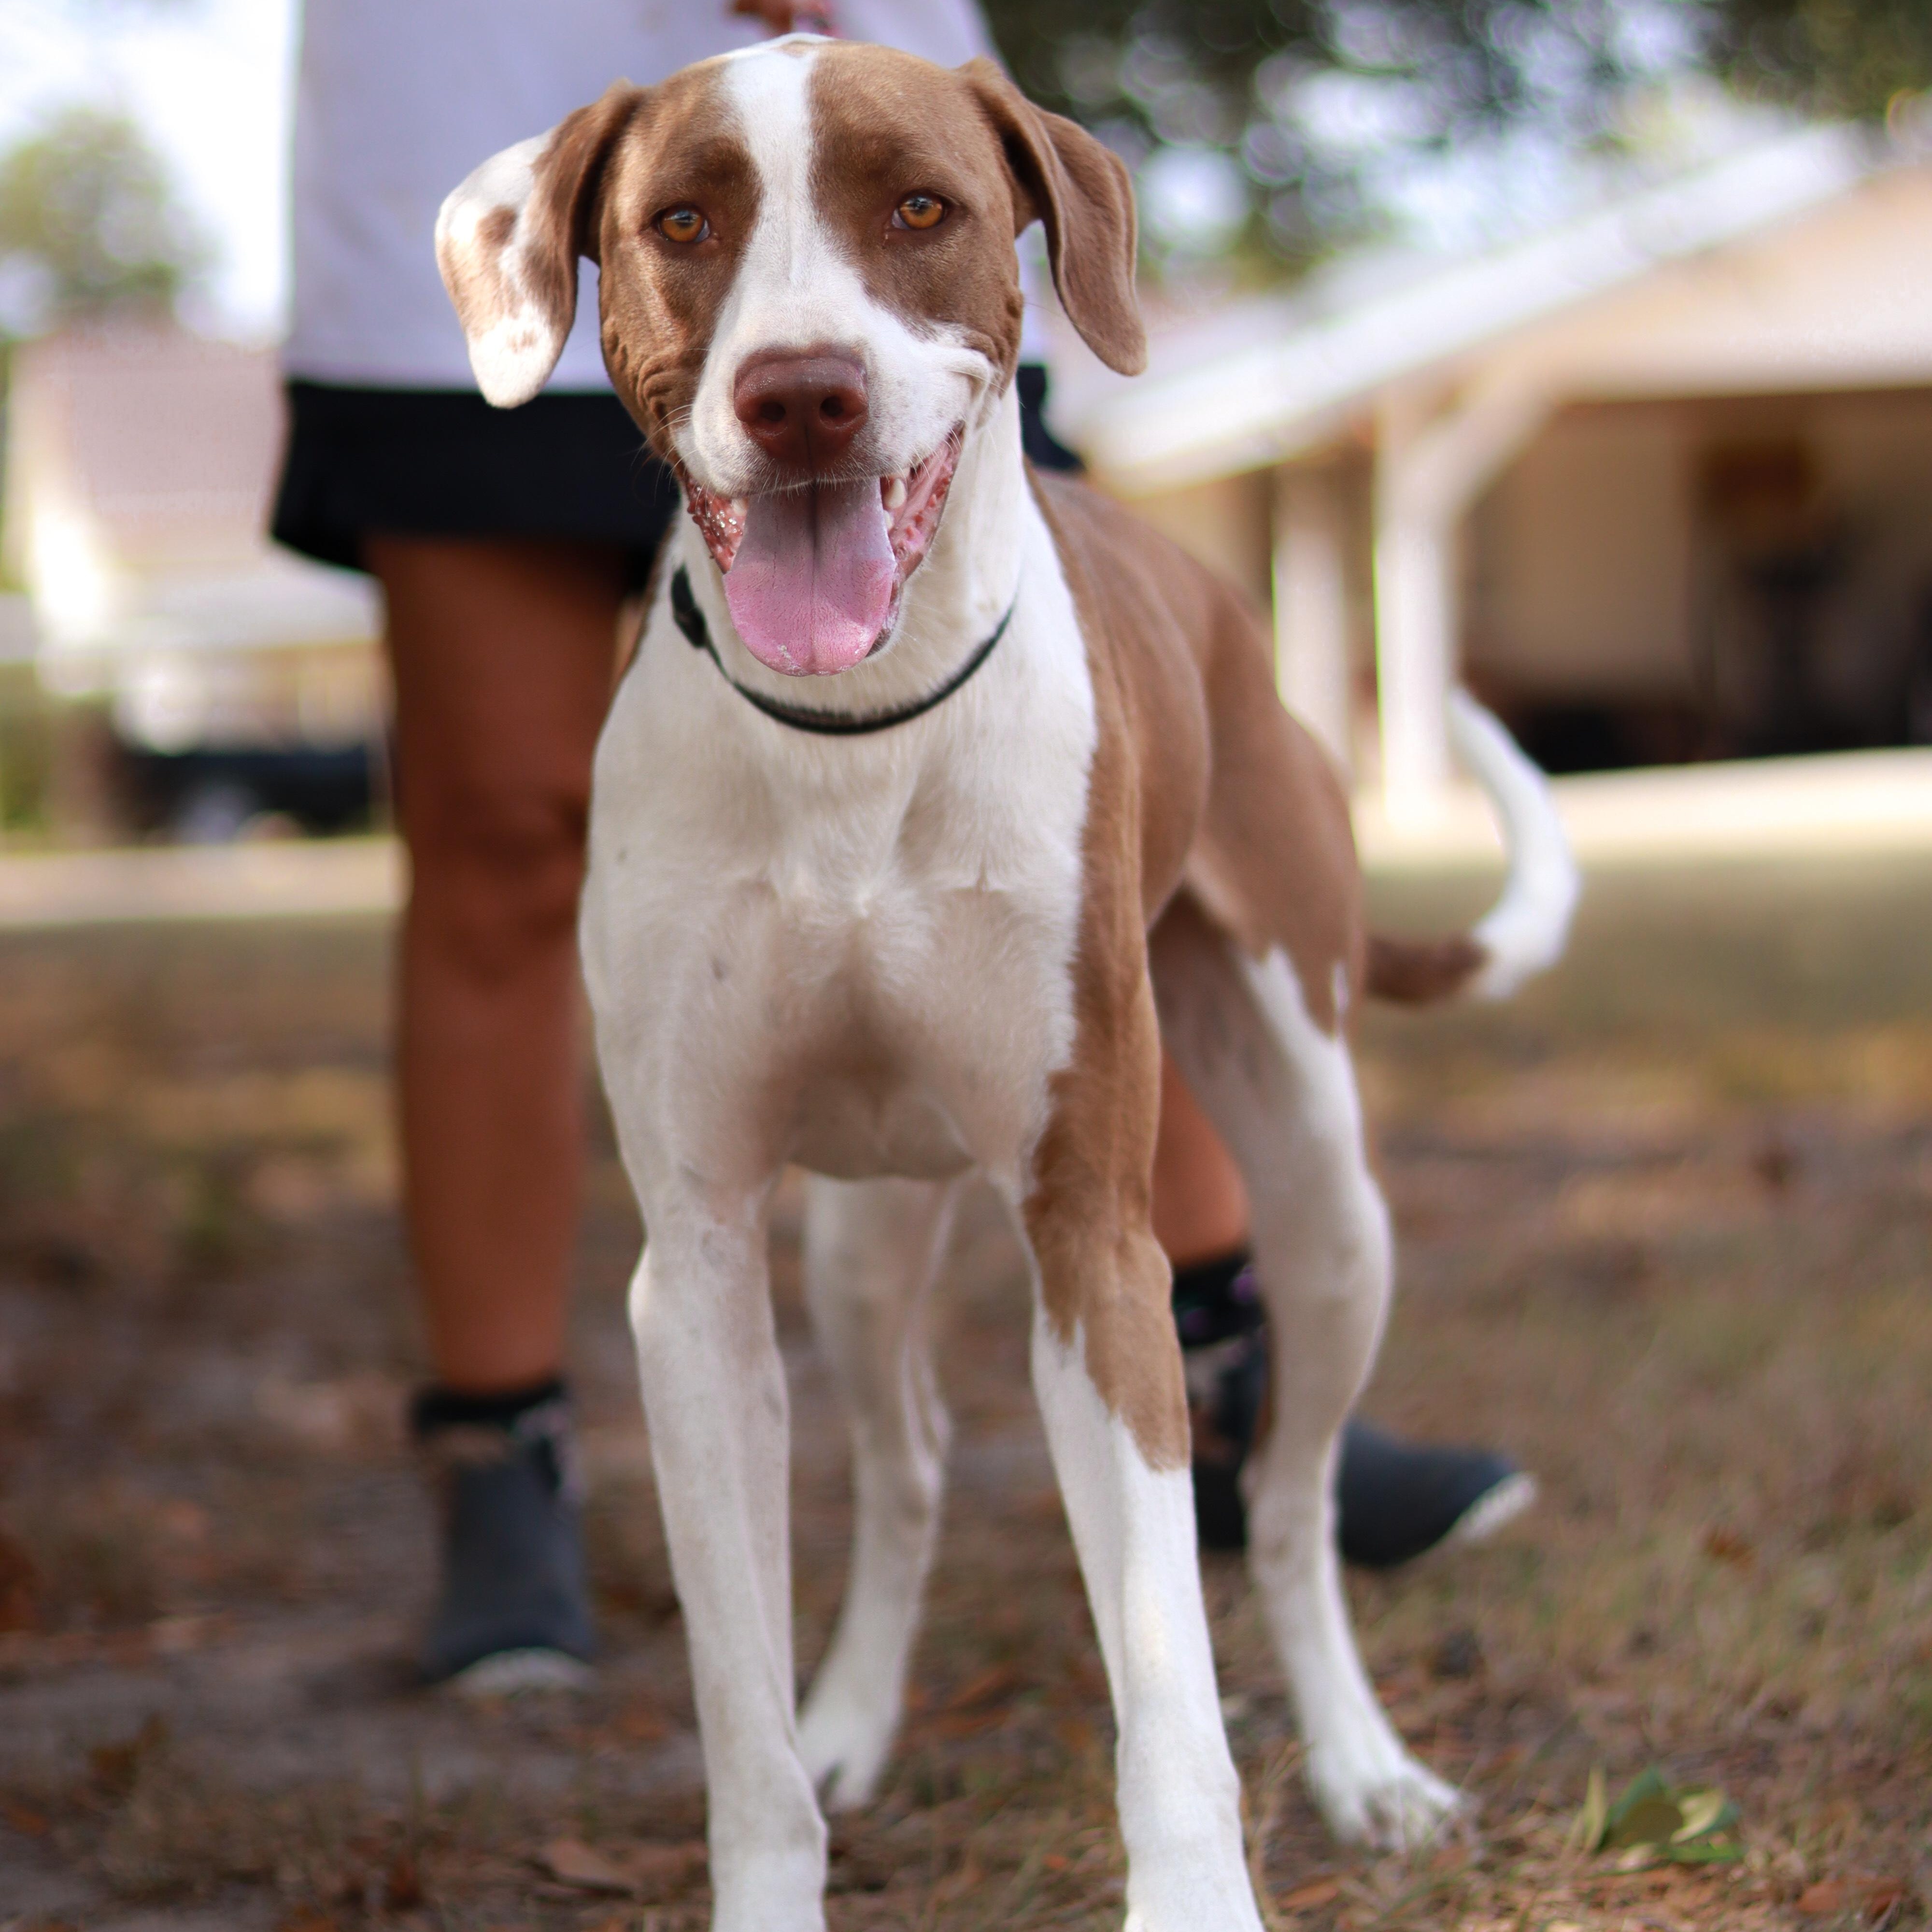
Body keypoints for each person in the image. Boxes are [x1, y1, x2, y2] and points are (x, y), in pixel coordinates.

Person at [272, 0, 1531, 1690]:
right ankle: (502, 1453)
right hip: (474, 52)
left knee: (1061, 799)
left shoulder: (950, 155)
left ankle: (1225, 1366)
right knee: (498, 821)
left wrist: (923, 189)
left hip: (856, 51)